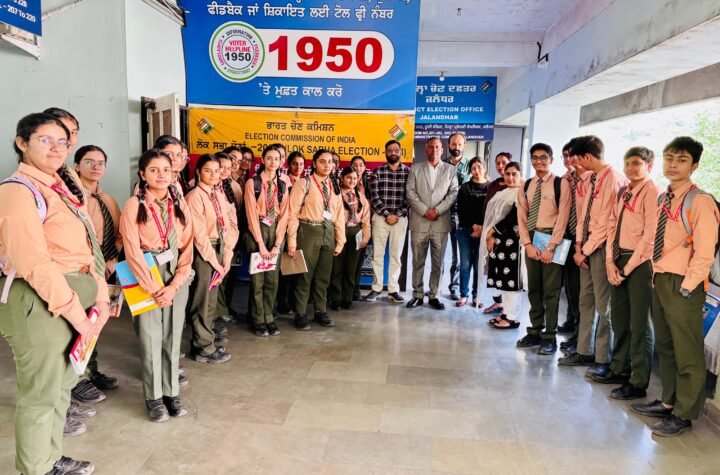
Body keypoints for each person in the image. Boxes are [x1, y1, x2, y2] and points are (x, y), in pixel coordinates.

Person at [0, 112, 111, 475]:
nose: (56, 148)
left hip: (76, 298)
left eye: (62, 142)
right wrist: (78, 316)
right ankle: (35, 468)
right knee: (41, 393)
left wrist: (100, 297)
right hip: (40, 301)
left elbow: (88, 248)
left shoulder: (62, 188)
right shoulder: (17, 191)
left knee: (62, 386)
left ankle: (50, 459)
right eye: (45, 140)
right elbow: (34, 264)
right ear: (22, 143)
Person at [631, 137, 719, 437]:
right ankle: (668, 401)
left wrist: (689, 286)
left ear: (694, 166)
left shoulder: (700, 201)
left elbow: (705, 252)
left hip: (684, 284)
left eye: (681, 160)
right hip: (661, 277)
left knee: (687, 350)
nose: (673, 164)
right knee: (666, 346)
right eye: (669, 158)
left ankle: (684, 413)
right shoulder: (664, 198)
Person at [43, 107, 106, 436]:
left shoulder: (66, 178)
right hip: (55, 279)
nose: (64, 140)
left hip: (82, 274)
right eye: (57, 133)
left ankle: (66, 400)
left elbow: (85, 233)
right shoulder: (32, 184)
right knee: (53, 352)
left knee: (74, 343)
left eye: (71, 133)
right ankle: (56, 413)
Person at [121, 149, 194, 422]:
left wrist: (174, 285)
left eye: (166, 170)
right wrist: (154, 288)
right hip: (144, 275)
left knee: (172, 337)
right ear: (142, 174)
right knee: (150, 338)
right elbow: (132, 250)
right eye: (154, 170)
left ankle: (171, 392)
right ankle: (153, 398)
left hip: (176, 275)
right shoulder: (134, 205)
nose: (161, 175)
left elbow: (187, 247)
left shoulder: (180, 203)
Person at [590, 147, 658, 399]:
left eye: (636, 163)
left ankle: (638, 382)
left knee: (640, 324)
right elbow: (612, 225)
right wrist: (610, 261)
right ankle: (619, 368)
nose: (631, 168)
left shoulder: (653, 192)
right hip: (618, 258)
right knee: (619, 318)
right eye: (627, 163)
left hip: (640, 263)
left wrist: (627, 268)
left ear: (649, 166)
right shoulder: (624, 191)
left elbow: (650, 237)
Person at [559, 136, 627, 375]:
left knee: (603, 306)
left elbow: (607, 223)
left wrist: (585, 250)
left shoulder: (614, 179)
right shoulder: (591, 178)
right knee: (585, 300)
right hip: (586, 247)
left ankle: (602, 358)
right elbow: (583, 215)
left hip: (602, 248)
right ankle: (584, 350)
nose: (574, 163)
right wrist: (579, 247)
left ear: (587, 157)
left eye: (577, 158)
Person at [73, 145, 123, 391]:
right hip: (82, 269)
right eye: (89, 162)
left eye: (101, 163)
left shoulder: (109, 200)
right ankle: (77, 380)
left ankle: (91, 370)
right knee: (77, 323)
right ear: (76, 166)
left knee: (97, 321)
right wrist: (94, 266)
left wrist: (111, 262)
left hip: (106, 268)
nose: (96, 167)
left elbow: (119, 234)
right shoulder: (72, 199)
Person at [515, 144, 571, 354]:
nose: (539, 161)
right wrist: (527, 244)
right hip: (532, 239)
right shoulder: (527, 185)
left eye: (544, 157)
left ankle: (550, 336)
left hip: (552, 240)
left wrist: (551, 247)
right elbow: (521, 216)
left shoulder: (560, 184)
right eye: (535, 158)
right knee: (534, 290)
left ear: (551, 160)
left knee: (551, 292)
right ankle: (535, 331)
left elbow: (563, 218)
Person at [186, 154, 238, 363]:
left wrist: (227, 255)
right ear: (198, 172)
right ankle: (203, 348)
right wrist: (215, 262)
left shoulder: (217, 195)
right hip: (205, 253)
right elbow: (199, 236)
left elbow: (228, 225)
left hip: (220, 248)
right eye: (208, 170)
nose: (214, 175)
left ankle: (206, 342)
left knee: (211, 302)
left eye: (217, 171)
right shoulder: (195, 196)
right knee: (203, 301)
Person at [286, 149, 346, 330]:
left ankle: (320, 310)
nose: (327, 165)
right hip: (308, 230)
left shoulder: (334, 185)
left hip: (328, 232)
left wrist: (340, 240)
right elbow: (292, 213)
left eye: (330, 162)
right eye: (322, 161)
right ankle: (300, 312)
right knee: (304, 275)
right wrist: (291, 240)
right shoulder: (304, 183)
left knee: (323, 275)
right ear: (314, 164)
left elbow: (338, 215)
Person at [405, 137, 459, 310]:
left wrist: (437, 211)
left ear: (442, 150)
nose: (434, 150)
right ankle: (417, 295)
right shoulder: (415, 169)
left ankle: (434, 295)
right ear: (425, 149)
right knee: (417, 261)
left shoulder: (450, 170)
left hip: (440, 222)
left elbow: (453, 193)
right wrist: (425, 211)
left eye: (437, 147)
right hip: (419, 222)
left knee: (438, 263)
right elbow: (410, 193)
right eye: (431, 147)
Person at [244, 145, 290, 336]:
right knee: (257, 281)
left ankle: (269, 317)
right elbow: (251, 216)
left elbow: (284, 216)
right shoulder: (252, 183)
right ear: (262, 160)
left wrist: (277, 244)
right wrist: (261, 245)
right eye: (269, 158)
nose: (272, 162)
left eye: (276, 159)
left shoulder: (282, 185)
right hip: (258, 231)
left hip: (275, 232)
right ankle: (258, 319)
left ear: (281, 162)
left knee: (272, 279)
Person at [364, 140, 410, 304]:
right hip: (380, 218)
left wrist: (397, 214)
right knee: (377, 255)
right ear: (385, 153)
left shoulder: (409, 173)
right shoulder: (377, 172)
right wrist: (386, 214)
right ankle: (376, 288)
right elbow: (374, 196)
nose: (393, 153)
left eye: (396, 150)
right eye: (390, 150)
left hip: (400, 219)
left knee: (396, 256)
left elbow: (410, 197)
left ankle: (393, 289)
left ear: (401, 152)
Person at [481, 161, 524, 329]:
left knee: (511, 281)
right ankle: (506, 312)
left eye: (514, 174)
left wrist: (492, 231)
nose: (510, 177)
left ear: (521, 176)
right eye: (508, 174)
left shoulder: (521, 193)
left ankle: (513, 318)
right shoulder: (504, 192)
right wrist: (491, 235)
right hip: (501, 242)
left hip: (514, 244)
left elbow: (512, 218)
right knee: (503, 280)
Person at [330, 167, 371, 310]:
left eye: (354, 178)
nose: (352, 181)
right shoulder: (335, 195)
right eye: (348, 177)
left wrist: (365, 237)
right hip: (339, 231)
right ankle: (336, 299)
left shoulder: (360, 196)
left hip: (355, 232)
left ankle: (347, 298)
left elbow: (366, 219)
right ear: (342, 178)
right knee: (337, 267)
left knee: (351, 268)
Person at [558, 141, 584, 340]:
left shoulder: (587, 179)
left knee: (578, 288)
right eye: (565, 155)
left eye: (571, 155)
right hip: (565, 237)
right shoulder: (565, 179)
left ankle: (579, 332)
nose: (568, 159)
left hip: (581, 239)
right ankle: (570, 321)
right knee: (568, 285)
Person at [214, 153, 243, 324]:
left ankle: (222, 309)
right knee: (215, 279)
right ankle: (216, 314)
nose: (225, 171)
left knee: (225, 277)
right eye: (221, 167)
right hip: (213, 241)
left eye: (228, 167)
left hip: (230, 239)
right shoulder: (203, 188)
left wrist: (231, 242)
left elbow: (235, 216)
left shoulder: (231, 187)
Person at [455, 157, 488, 307]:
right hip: (465, 231)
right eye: (473, 168)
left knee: (478, 265)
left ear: (484, 168)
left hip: (484, 232)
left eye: (479, 167)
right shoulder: (465, 188)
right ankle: (463, 295)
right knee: (465, 264)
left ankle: (476, 296)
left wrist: (481, 227)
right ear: (470, 171)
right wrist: (474, 226)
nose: (476, 171)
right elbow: (461, 210)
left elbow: (491, 211)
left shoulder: (490, 187)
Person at [276, 151, 306, 315]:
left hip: (302, 229)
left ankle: (295, 301)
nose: (298, 167)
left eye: (301, 164)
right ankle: (282, 302)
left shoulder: (306, 183)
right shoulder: (284, 181)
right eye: (295, 163)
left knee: (298, 267)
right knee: (285, 268)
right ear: (289, 165)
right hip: (285, 226)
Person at [443, 132, 472, 300]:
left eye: (459, 144)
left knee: (458, 256)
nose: (456, 147)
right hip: (442, 214)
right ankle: (435, 289)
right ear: (449, 145)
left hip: (461, 216)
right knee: (438, 254)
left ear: (464, 146)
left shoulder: (471, 166)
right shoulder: (441, 164)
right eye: (453, 144)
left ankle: (454, 287)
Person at [482, 152, 511, 315]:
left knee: (507, 272)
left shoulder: (517, 185)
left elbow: (513, 215)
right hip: (491, 234)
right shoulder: (492, 185)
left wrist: (496, 231)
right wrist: (488, 233)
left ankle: (508, 309)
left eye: (504, 163)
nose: (500, 166)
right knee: (493, 270)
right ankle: (498, 303)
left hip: (508, 235)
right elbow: (486, 209)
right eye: (498, 163)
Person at [350, 155, 371, 301]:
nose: (358, 168)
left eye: (361, 165)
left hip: (364, 226)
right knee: (346, 261)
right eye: (355, 165)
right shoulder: (345, 182)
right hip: (347, 227)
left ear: (365, 167)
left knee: (358, 261)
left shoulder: (369, 184)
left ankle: (355, 289)